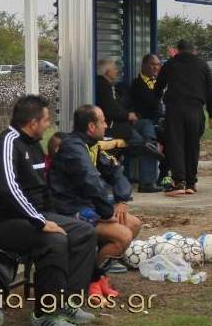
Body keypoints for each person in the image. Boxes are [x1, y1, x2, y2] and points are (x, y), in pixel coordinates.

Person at [0, 95, 98, 326]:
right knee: (54, 240)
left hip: (31, 217)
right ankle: (45, 315)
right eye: (46, 119)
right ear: (33, 123)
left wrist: (58, 217)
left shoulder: (34, 145)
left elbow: (42, 189)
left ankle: (68, 302)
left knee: (84, 232)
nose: (48, 124)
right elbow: (9, 189)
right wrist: (41, 222)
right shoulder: (6, 143)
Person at [48, 105, 143, 299]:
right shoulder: (73, 147)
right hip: (68, 210)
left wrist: (122, 199)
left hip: (86, 207)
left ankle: (98, 277)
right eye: (103, 121)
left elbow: (115, 171)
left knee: (134, 224)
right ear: (91, 126)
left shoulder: (92, 145)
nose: (106, 125)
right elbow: (91, 181)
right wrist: (107, 213)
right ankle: (91, 280)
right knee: (123, 236)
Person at [154, 39, 212, 197]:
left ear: (178, 50)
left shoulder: (170, 64)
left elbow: (158, 87)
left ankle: (179, 183)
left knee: (176, 145)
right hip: (195, 110)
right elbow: (211, 91)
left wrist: (157, 102)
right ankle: (191, 183)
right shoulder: (202, 65)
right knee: (192, 145)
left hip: (174, 110)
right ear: (193, 50)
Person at [127, 53, 165, 192]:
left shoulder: (156, 83)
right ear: (144, 66)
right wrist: (160, 91)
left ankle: (164, 177)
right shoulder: (138, 84)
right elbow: (152, 104)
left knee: (174, 137)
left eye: (158, 65)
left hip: (157, 123)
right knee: (148, 141)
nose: (156, 68)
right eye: (152, 64)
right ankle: (147, 183)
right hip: (143, 123)